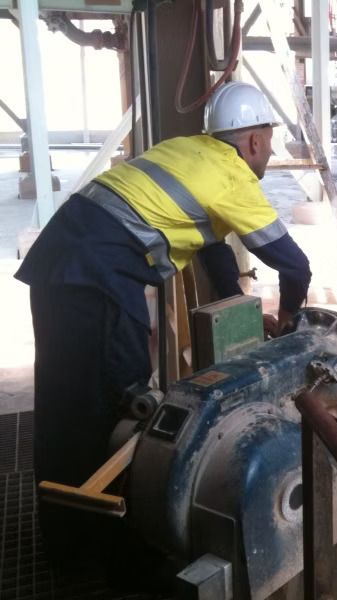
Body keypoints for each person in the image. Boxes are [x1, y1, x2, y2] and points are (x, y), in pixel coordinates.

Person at [14, 81, 311, 570]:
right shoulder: (235, 179)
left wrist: (241, 307)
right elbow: (294, 266)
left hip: (59, 267)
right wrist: (292, 320)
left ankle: (66, 543)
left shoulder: (186, 152)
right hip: (97, 282)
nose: (271, 150)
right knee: (114, 409)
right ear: (253, 141)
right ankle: (109, 557)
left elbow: (212, 251)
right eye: (270, 138)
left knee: (63, 404)